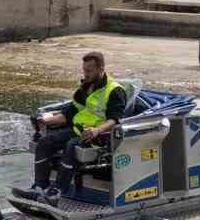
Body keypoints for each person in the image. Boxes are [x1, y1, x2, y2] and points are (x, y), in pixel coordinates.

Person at [28, 51, 129, 198]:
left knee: (72, 146)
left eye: (89, 71)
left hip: (98, 136)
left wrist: (96, 130)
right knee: (44, 142)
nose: (85, 74)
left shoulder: (115, 91)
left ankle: (57, 192)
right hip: (77, 130)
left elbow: (115, 120)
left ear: (101, 69)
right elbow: (68, 115)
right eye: (84, 70)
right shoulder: (85, 88)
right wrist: (46, 120)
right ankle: (39, 187)